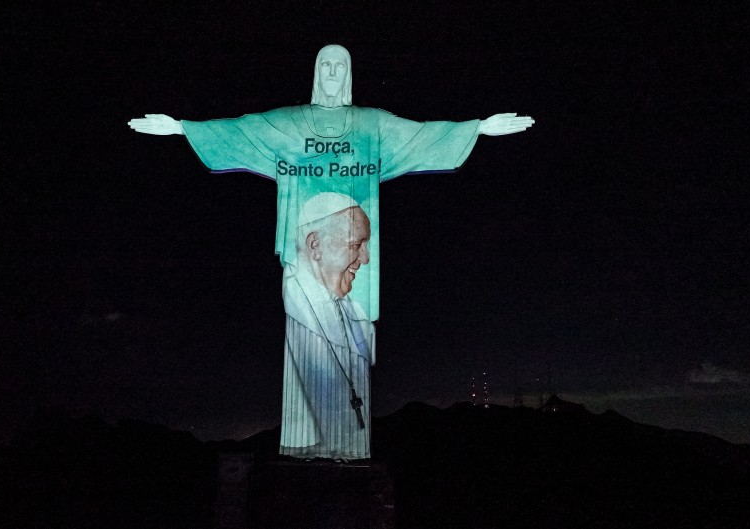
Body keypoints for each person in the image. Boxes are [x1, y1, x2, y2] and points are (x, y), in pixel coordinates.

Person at [129, 44, 534, 459]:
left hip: (349, 283)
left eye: (341, 66)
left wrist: (478, 128)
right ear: (316, 72)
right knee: (309, 348)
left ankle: (346, 448)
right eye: (326, 65)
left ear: (350, 75)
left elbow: (419, 135)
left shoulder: (370, 125)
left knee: (353, 346)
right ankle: (306, 447)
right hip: (304, 269)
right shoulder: (289, 124)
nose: (333, 72)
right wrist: (182, 128)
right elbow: (242, 131)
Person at [281, 193, 373, 459]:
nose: (365, 258)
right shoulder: (294, 303)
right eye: (356, 245)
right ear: (315, 245)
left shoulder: (351, 308)